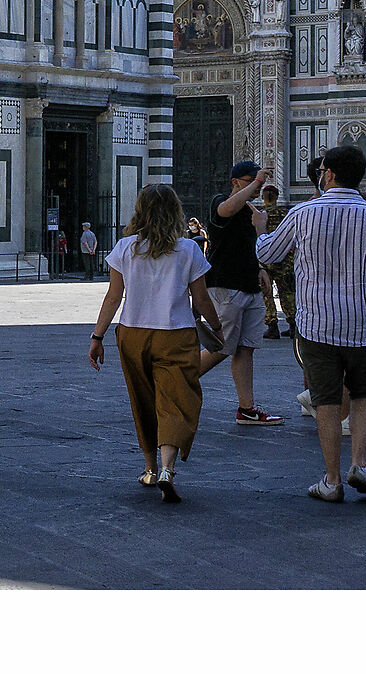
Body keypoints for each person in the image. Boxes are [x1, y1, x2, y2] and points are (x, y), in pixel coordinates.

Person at [256, 142, 366, 502]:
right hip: (364, 324)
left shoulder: (303, 213)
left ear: (329, 174)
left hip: (316, 324)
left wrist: (260, 228)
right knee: (364, 394)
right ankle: (360, 464)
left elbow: (267, 253)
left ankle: (332, 480)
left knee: (327, 401)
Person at [89, 184, 225, 502]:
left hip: (132, 333)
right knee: (177, 399)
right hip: (175, 333)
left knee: (143, 400)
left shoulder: (125, 248)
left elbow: (113, 297)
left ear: (141, 211)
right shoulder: (189, 249)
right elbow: (201, 298)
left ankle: (149, 469)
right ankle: (166, 468)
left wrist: (97, 336)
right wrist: (216, 327)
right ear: (175, 211)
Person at [199, 161, 285, 425]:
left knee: (246, 348)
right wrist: (257, 184)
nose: (256, 187)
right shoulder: (220, 200)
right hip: (226, 284)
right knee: (222, 346)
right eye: (250, 180)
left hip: (248, 283)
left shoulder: (252, 210)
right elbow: (226, 211)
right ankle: (175, 382)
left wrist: (260, 266)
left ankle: (247, 408)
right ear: (236, 181)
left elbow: (252, 245)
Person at [259, 182, 297, 338]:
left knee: (267, 293)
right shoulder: (285, 214)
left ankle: (272, 325)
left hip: (265, 259)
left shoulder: (260, 215)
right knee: (287, 292)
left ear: (263, 197)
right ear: (277, 197)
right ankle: (293, 324)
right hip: (284, 259)